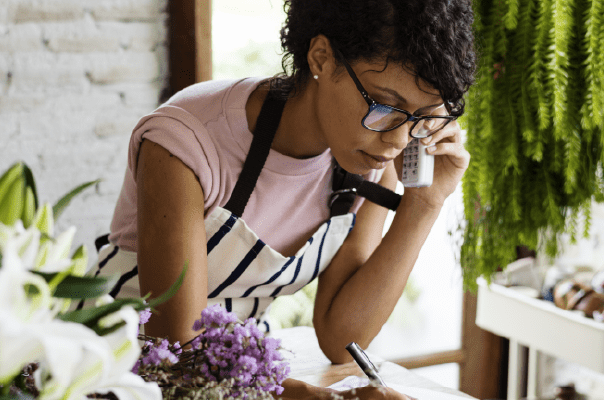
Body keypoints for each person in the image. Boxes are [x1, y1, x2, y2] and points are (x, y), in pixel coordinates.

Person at [91, 0, 476, 398]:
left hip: (243, 377)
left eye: (424, 116)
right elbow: (180, 352)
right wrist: (325, 397)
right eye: (384, 105)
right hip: (118, 369)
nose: (398, 140)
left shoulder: (369, 157)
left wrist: (424, 203)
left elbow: (341, 336)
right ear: (322, 58)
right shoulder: (185, 144)